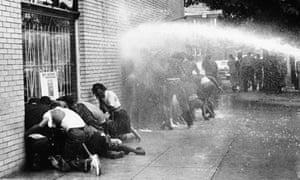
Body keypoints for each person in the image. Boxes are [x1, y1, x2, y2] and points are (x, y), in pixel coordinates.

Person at [26, 102, 103, 175]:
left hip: (75, 133)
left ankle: (89, 163)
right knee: (73, 154)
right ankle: (86, 163)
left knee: (65, 163)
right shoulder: (67, 111)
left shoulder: (50, 113)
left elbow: (40, 126)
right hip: (85, 131)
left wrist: (27, 133)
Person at [56, 95, 146, 157]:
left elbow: (91, 123)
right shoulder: (79, 107)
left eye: (62, 105)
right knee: (107, 145)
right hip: (98, 132)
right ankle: (129, 151)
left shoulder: (76, 110)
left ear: (67, 104)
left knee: (101, 145)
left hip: (97, 131)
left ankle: (112, 152)